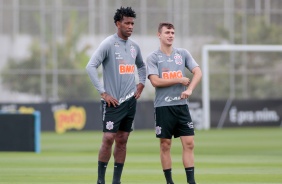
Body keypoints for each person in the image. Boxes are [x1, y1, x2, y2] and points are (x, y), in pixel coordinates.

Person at [86, 7, 146, 184]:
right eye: (127, 23)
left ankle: (116, 181)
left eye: (132, 23)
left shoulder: (134, 47)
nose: (130, 26)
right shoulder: (108, 44)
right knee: (108, 138)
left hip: (130, 101)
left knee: (123, 139)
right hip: (112, 102)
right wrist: (103, 93)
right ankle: (100, 180)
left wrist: (141, 83)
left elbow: (142, 66)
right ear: (118, 23)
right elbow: (90, 66)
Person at [146, 22, 202, 184]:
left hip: (181, 106)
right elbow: (155, 81)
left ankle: (191, 181)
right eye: (167, 32)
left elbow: (198, 72)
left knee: (189, 143)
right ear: (159, 35)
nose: (170, 35)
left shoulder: (182, 54)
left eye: (172, 32)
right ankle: (169, 181)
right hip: (163, 107)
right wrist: (178, 79)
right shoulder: (153, 57)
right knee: (165, 144)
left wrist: (190, 89)